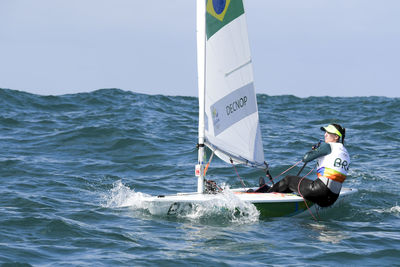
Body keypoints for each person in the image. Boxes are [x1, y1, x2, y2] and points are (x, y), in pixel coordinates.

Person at [266, 124, 350, 207]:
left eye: (328, 132)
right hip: (332, 197)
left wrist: (316, 150)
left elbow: (306, 158)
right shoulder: (345, 152)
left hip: (321, 190)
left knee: (288, 180)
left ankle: (267, 194)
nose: (325, 134)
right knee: (295, 185)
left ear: (336, 137)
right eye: (325, 132)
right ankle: (272, 190)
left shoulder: (328, 146)